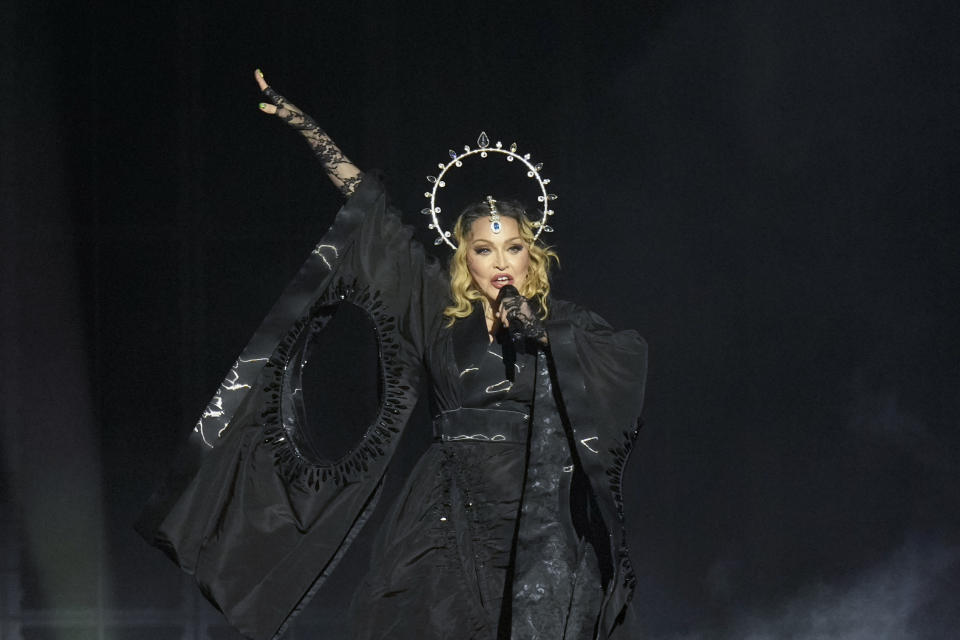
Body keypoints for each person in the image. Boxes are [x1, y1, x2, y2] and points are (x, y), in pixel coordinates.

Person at [137, 69, 648, 640]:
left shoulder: (566, 323)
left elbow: (624, 365)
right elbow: (370, 211)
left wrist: (546, 336)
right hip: (452, 512)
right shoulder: (434, 308)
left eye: (513, 247)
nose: (500, 261)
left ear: (532, 254)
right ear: (465, 257)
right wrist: (308, 128)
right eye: (484, 248)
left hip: (541, 515)